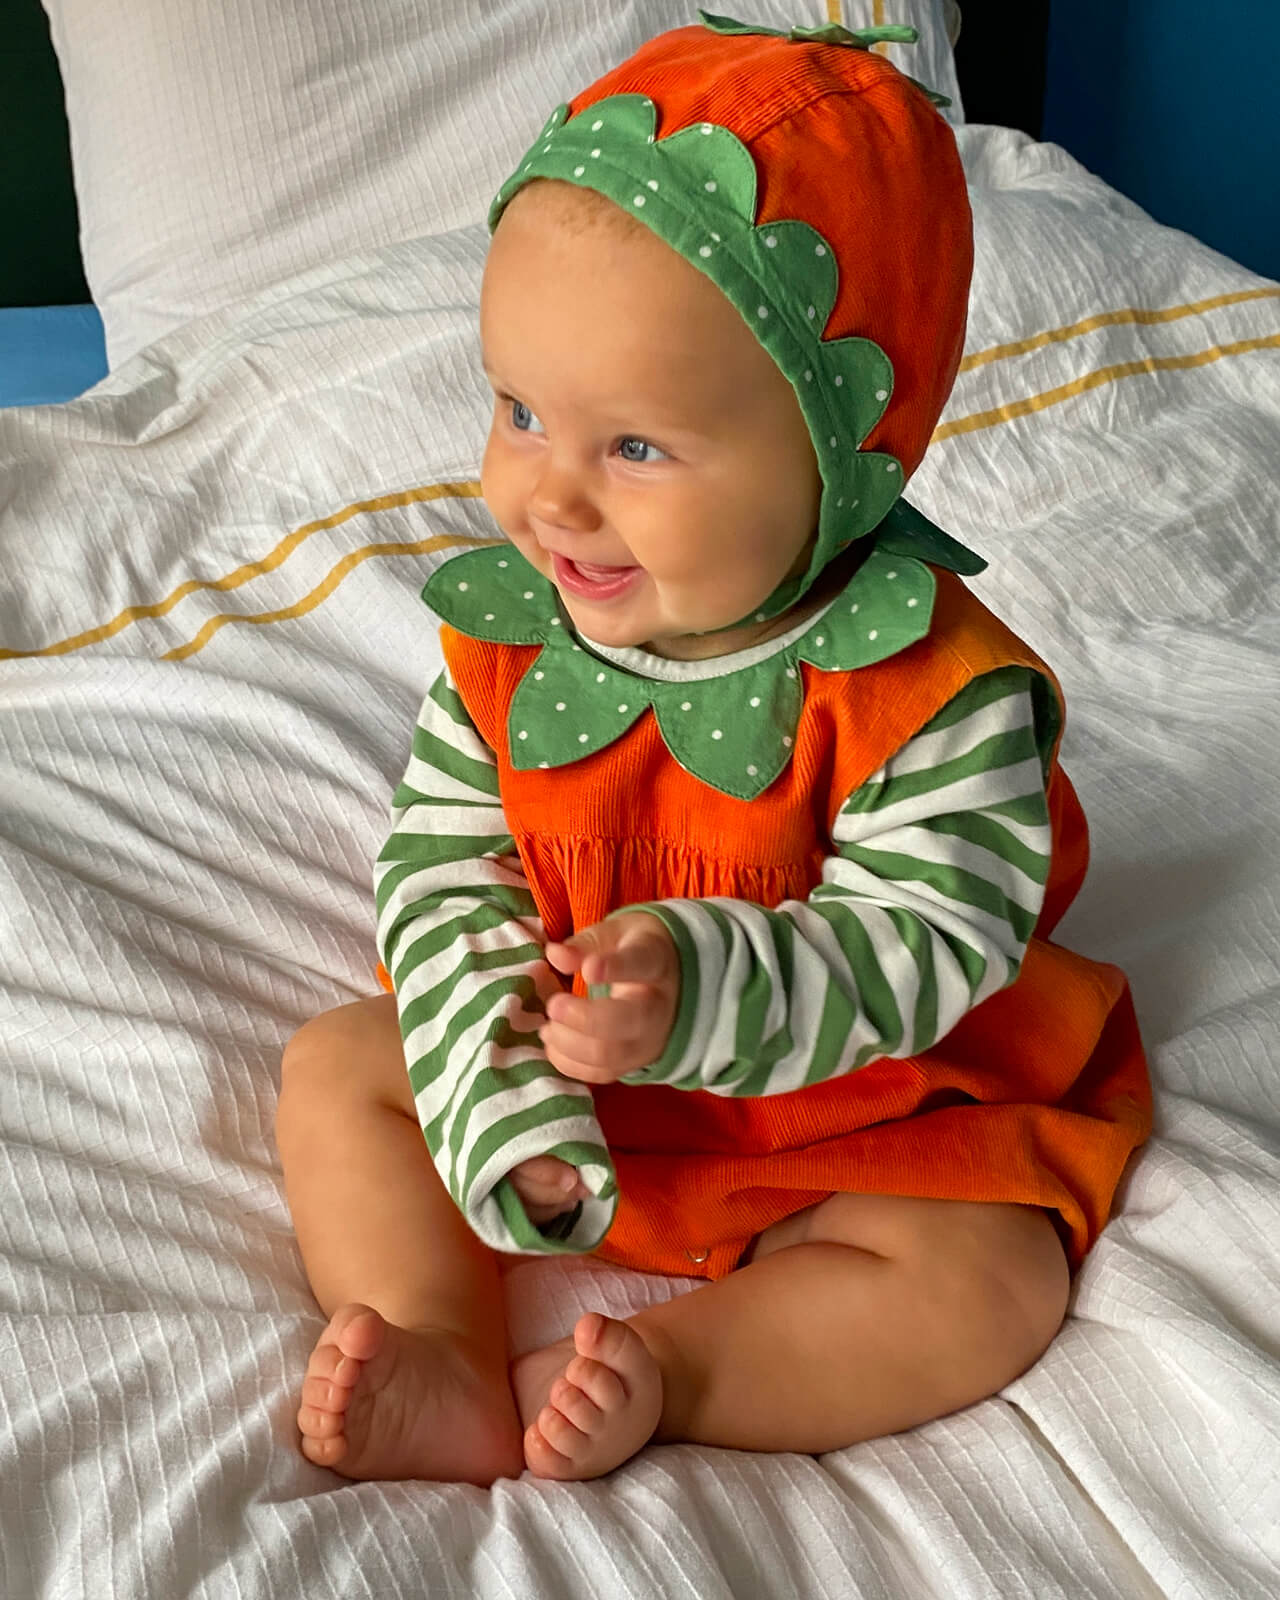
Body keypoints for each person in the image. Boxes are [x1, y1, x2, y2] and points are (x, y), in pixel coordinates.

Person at [275, 12, 1152, 1486]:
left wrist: (697, 986)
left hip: (862, 1100)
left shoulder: (932, 691)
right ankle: (438, 1337)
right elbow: (443, 860)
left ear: (836, 458)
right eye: (520, 411)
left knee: (992, 1278)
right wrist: (509, 1085)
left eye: (635, 449)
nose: (552, 499)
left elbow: (932, 935)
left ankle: (673, 1370)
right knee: (335, 1072)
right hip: (579, 1068)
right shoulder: (514, 641)